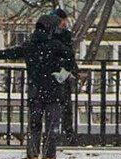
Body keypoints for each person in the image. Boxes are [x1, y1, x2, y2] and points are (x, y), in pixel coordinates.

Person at [0, 15, 74, 159]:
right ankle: (49, 155)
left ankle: (33, 154)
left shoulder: (30, 45)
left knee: (34, 124)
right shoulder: (55, 45)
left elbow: (14, 52)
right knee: (52, 124)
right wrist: (62, 74)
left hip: (35, 90)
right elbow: (70, 58)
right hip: (53, 90)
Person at [51, 8, 78, 145]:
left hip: (59, 73)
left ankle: (63, 135)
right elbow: (69, 54)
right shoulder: (59, 36)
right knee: (63, 106)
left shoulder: (56, 35)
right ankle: (65, 135)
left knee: (63, 106)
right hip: (59, 73)